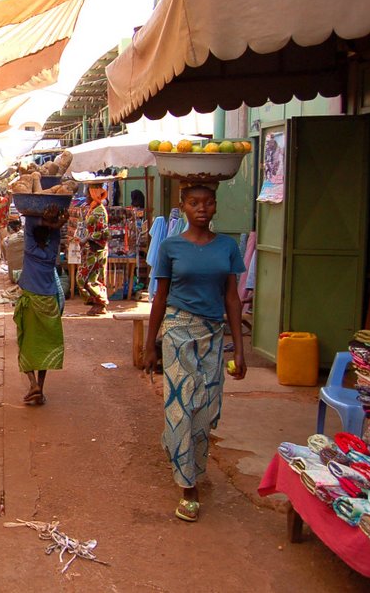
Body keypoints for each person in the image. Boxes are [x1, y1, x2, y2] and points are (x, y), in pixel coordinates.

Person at [145, 183, 246, 523]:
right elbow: (160, 296)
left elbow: (232, 297)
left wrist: (240, 348)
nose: (201, 208)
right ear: (183, 207)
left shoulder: (227, 247)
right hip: (177, 331)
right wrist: (150, 344)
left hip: (214, 333)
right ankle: (188, 485)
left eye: (208, 203)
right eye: (194, 203)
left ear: (215, 206)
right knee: (182, 404)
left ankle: (179, 447)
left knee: (208, 406)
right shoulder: (170, 246)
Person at [13, 207, 67, 406]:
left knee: (26, 343)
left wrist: (49, 223)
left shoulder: (29, 248)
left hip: (31, 301)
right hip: (49, 302)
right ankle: (40, 389)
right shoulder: (52, 250)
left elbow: (29, 223)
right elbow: (53, 234)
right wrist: (56, 225)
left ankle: (33, 383)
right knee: (45, 346)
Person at [76, 183, 110, 315]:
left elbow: (104, 232)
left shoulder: (100, 211)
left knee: (88, 278)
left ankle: (100, 303)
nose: (85, 196)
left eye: (87, 194)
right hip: (90, 249)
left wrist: (87, 239)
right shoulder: (92, 208)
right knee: (87, 278)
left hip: (97, 250)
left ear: (93, 194)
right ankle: (97, 303)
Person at [3, 220, 24, 284]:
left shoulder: (6, 240)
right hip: (25, 278)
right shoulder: (24, 237)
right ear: (18, 227)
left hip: (12, 277)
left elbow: (6, 258)